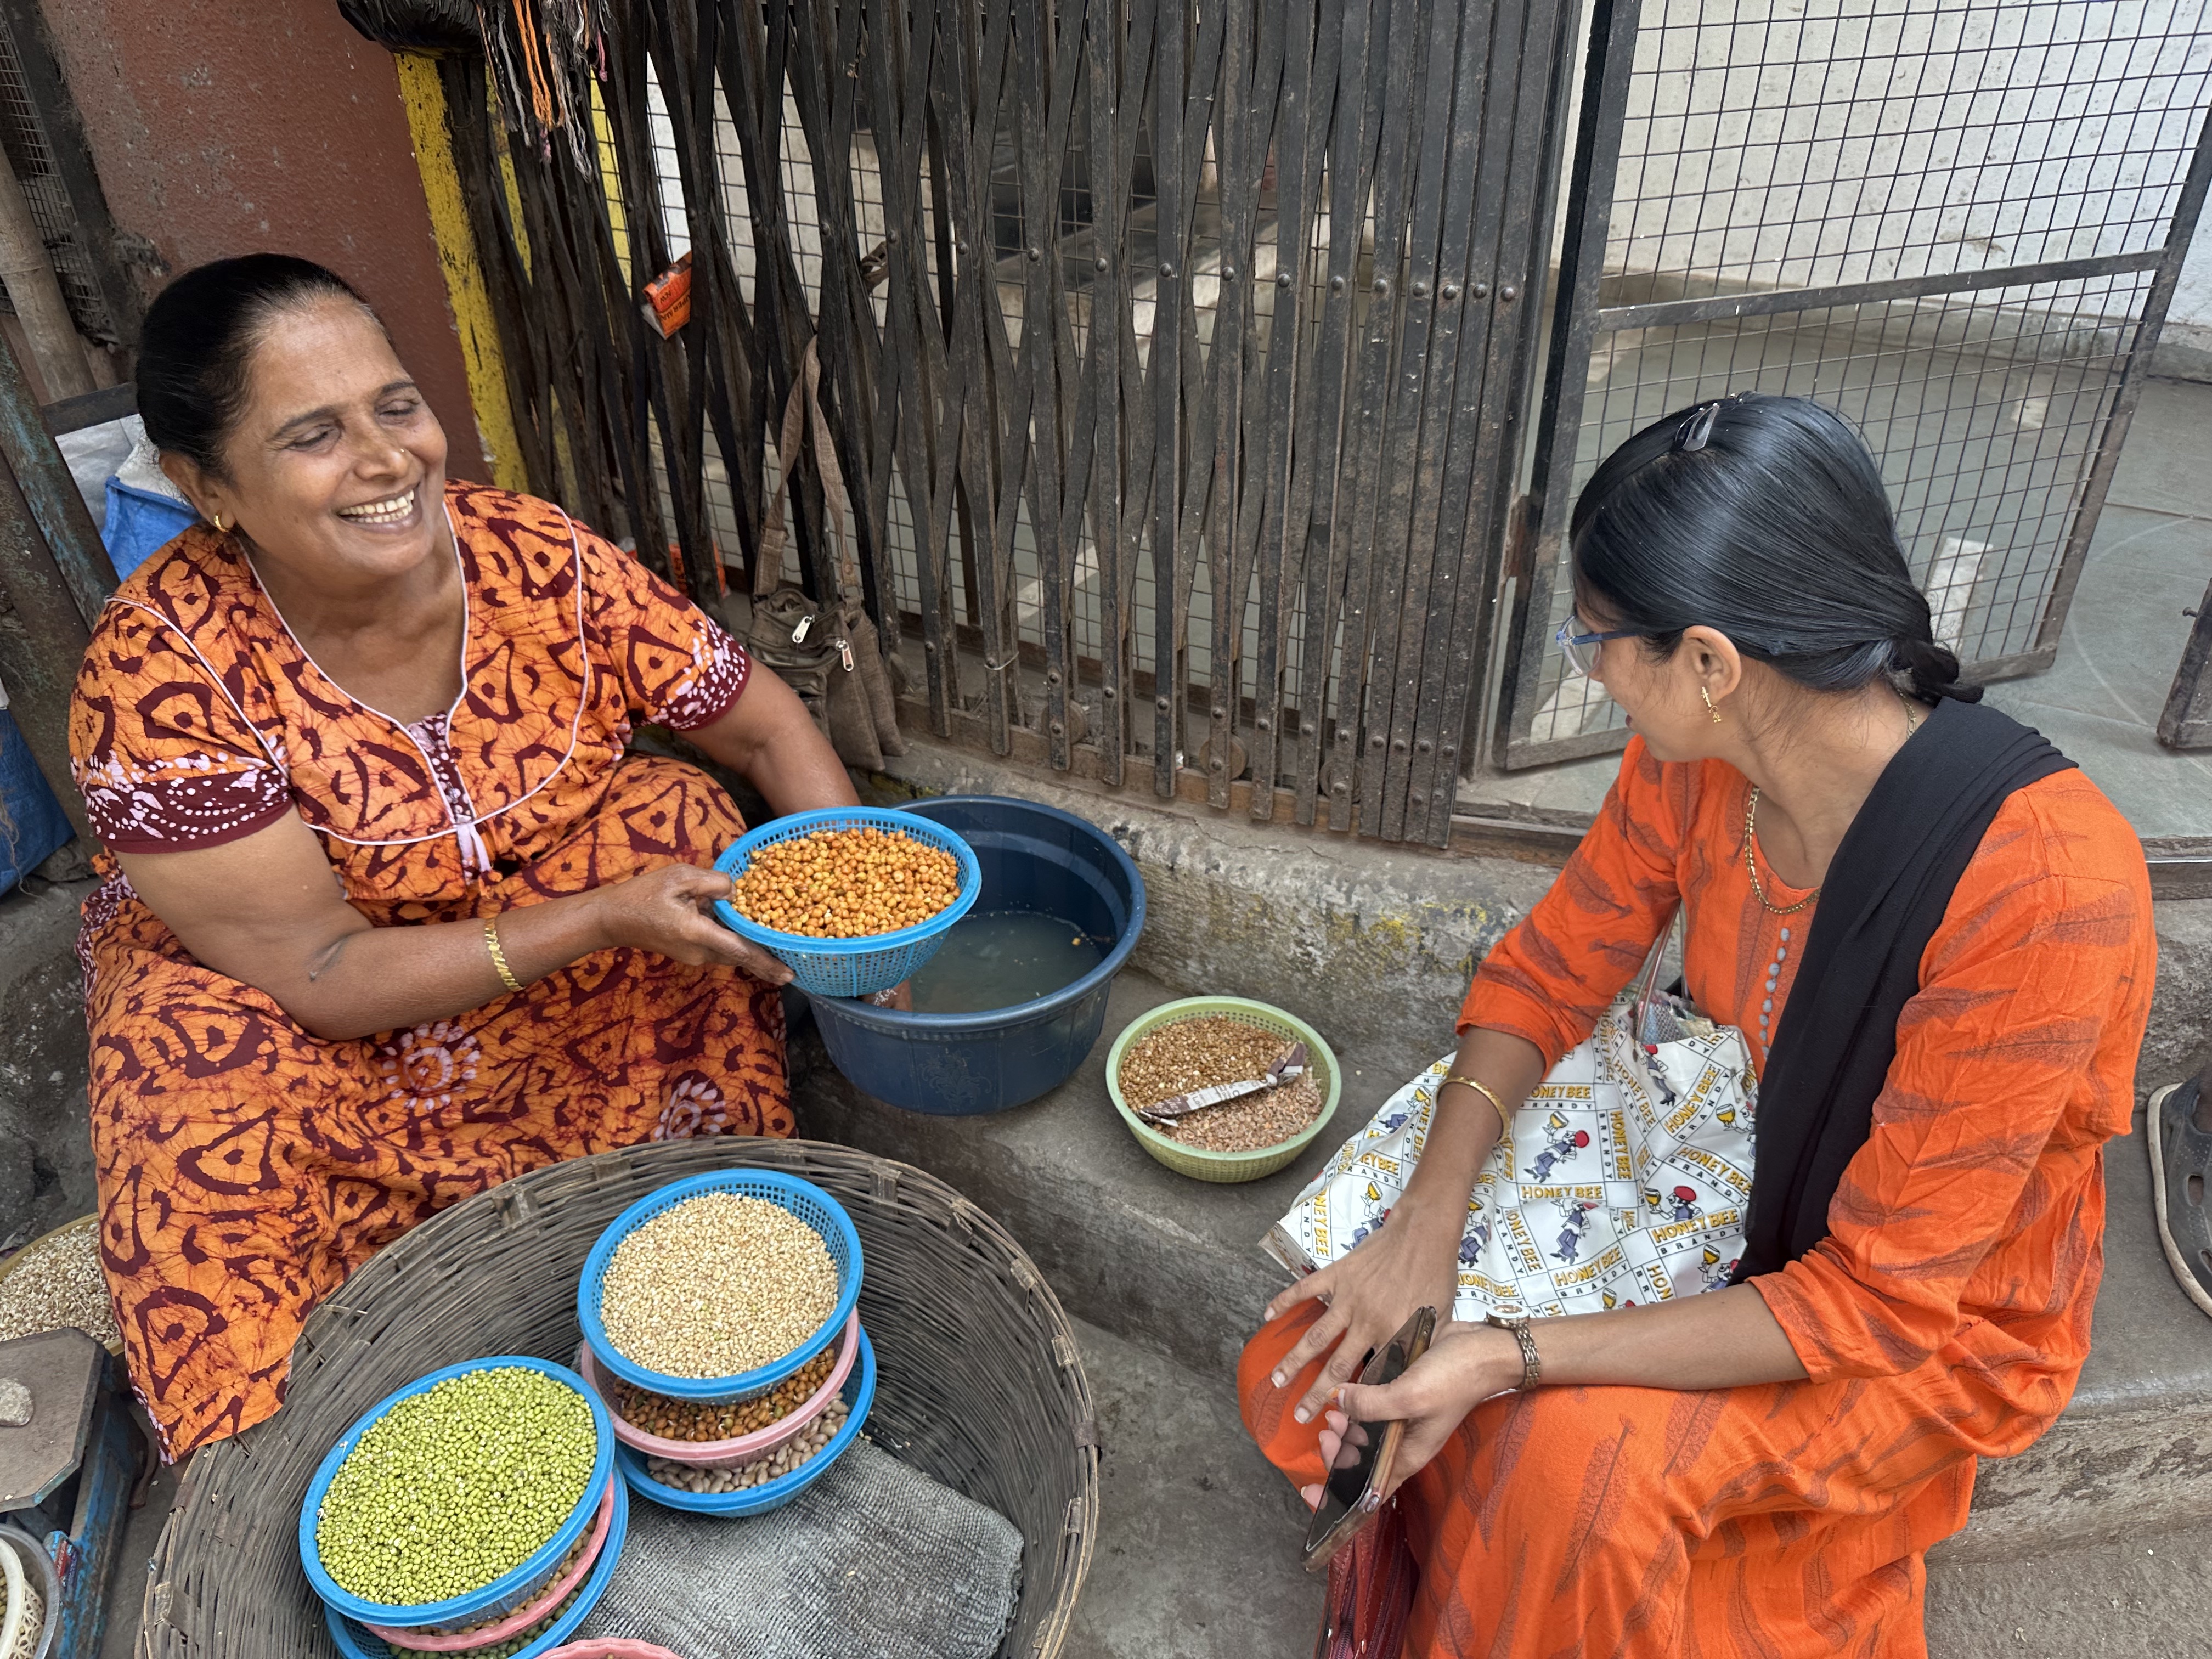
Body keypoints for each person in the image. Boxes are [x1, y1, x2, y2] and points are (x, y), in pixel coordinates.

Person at [1240, 393, 2155, 1656]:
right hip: (1705, 1187)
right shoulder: (1696, 758)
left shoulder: (2049, 891)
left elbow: (1873, 1309)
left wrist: (1509, 1352)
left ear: (1713, 665)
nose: (1593, 668)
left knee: (1571, 1469)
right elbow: (1551, 971)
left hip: (1927, 1324)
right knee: (1310, 1359)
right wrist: (1426, 1227)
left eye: (1599, 639)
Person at [68, 255, 860, 1460]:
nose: (389, 460)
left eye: (396, 406)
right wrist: (597, 921)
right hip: (322, 1019)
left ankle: (678, 1231)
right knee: (181, 1074)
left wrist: (860, 935)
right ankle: (286, 1445)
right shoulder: (160, 675)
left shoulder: (534, 556)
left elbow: (760, 722)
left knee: (681, 816)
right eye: (314, 435)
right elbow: (320, 969)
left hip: (559, 960)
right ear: (204, 486)